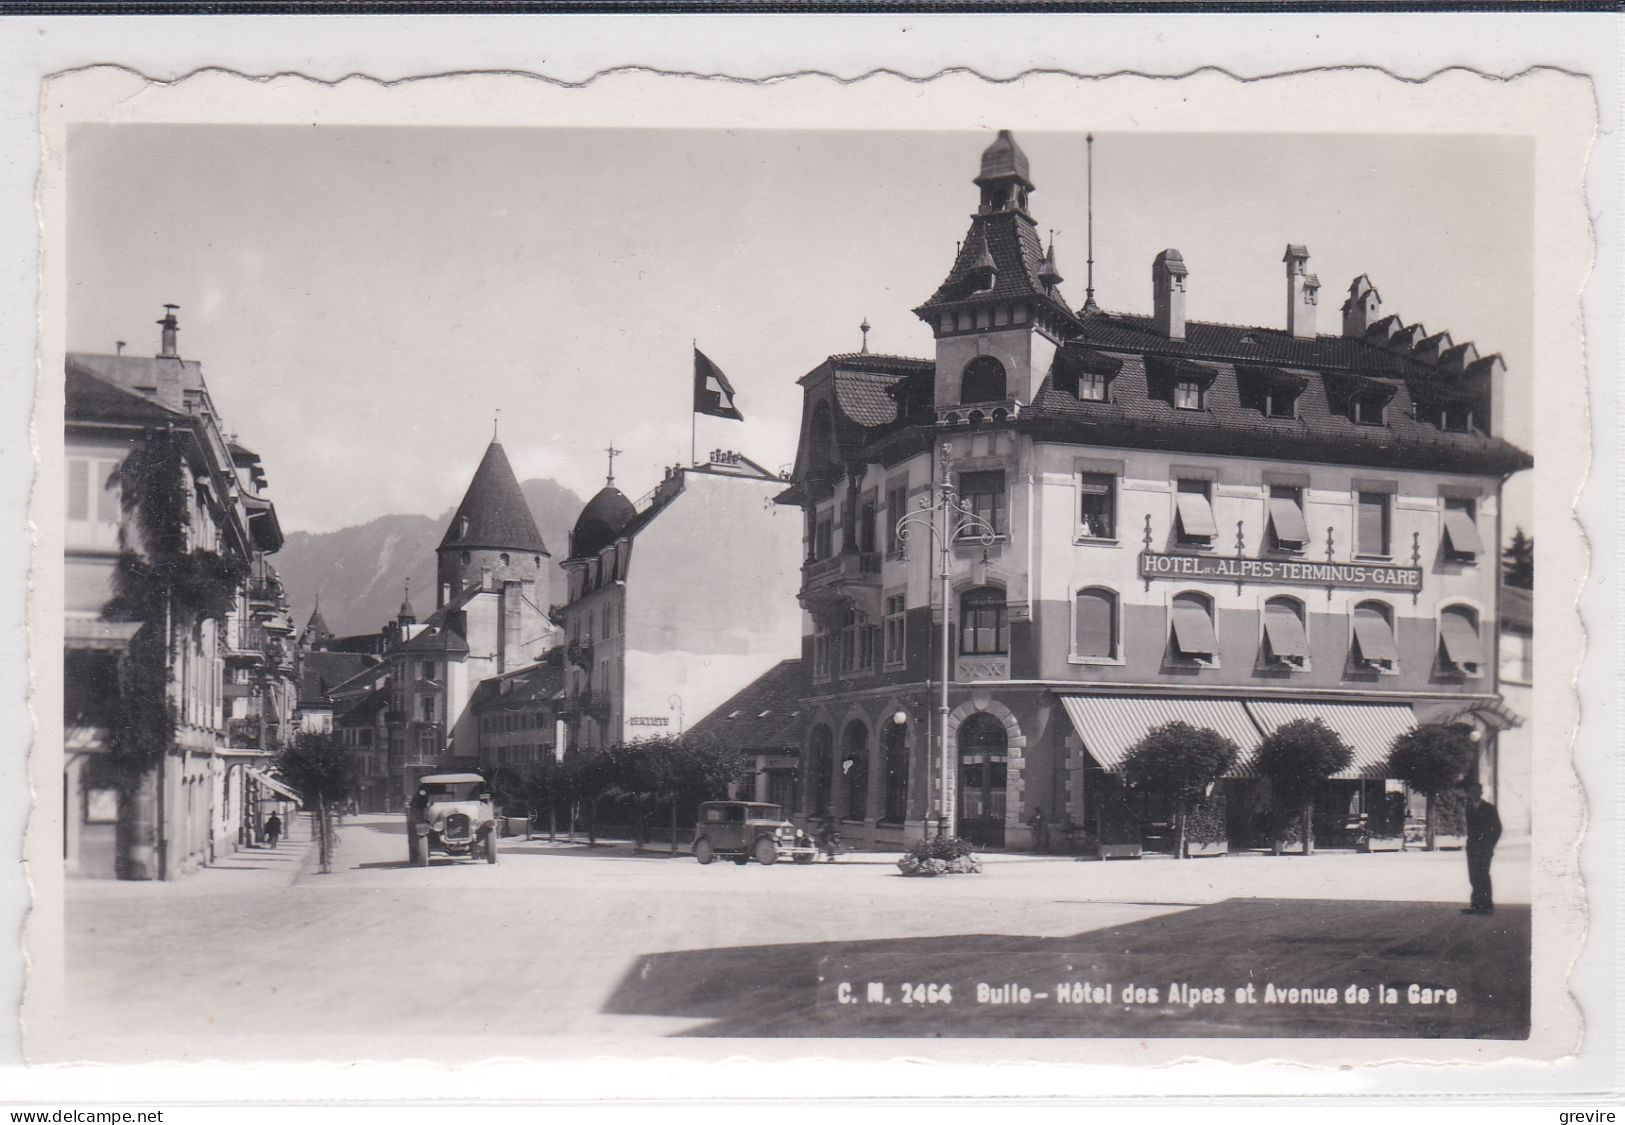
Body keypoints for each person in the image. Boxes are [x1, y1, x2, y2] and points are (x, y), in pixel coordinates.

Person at [1462, 782, 1501, 915]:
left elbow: (1498, 829)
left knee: (1483, 875)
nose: (1474, 795)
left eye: (1477, 792)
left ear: (1481, 793)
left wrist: (1490, 845)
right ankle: (1476, 905)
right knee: (1473, 876)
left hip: (1485, 847)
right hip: (1472, 847)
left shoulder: (1490, 808)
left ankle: (1487, 905)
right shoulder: (1468, 807)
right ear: (1469, 794)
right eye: (1471, 792)